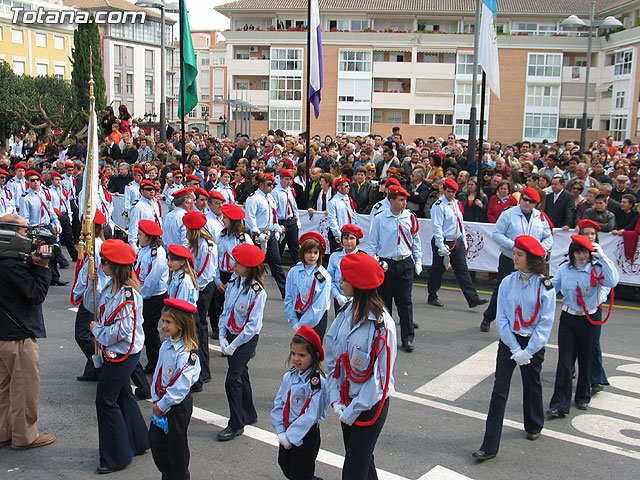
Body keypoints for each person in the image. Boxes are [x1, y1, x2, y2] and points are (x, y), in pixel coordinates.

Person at [473, 235, 556, 462]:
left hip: (532, 345)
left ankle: (534, 424)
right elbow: (502, 319)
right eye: (515, 253)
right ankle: (489, 445)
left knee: (532, 384)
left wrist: (528, 352)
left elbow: (544, 324)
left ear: (532, 259)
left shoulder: (545, 287)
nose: (515, 258)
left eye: (520, 255)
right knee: (499, 392)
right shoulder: (507, 282)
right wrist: (514, 348)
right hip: (510, 342)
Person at [325, 252, 397, 479]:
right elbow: (333, 355)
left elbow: (380, 379)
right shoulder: (347, 311)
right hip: (346, 400)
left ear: (357, 284)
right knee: (363, 460)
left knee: (354, 467)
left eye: (345, 279)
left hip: (369, 404)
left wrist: (353, 411)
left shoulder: (382, 326)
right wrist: (335, 398)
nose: (340, 282)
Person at [85, 239, 149, 474]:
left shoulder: (129, 297)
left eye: (105, 262)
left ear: (116, 267)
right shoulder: (108, 285)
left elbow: (122, 332)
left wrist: (96, 331)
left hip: (123, 353)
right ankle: (139, 441)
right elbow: (90, 305)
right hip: (116, 350)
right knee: (123, 396)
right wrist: (89, 284)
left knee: (105, 400)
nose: (101, 265)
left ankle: (116, 456)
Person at [0, 214, 55, 450]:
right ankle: (25, 435)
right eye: (24, 232)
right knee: (24, 388)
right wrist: (42, 267)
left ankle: (3, 431)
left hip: (4, 333)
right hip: (18, 335)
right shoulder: (12, 267)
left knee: (3, 388)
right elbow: (35, 295)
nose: (29, 238)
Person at [547, 235, 618, 419]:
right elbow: (553, 287)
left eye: (585, 252)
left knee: (586, 359)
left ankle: (582, 396)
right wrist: (541, 285)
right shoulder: (564, 268)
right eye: (578, 252)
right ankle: (559, 404)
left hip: (589, 318)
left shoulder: (597, 268)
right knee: (564, 362)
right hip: (569, 318)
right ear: (572, 253)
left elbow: (612, 282)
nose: (581, 256)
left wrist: (603, 257)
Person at [480, 187, 553, 332]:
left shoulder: (540, 217)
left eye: (531, 201)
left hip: (531, 261)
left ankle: (524, 320)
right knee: (503, 288)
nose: (526, 203)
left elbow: (548, 237)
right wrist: (516, 247)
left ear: (536, 204)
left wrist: (539, 250)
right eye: (524, 199)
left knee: (530, 291)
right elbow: (497, 234)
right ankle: (488, 317)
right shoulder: (508, 214)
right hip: (510, 258)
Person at [217, 244, 267, 441]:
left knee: (232, 379)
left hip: (245, 340)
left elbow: (251, 327)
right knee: (242, 374)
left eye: (238, 263)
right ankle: (249, 413)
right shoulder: (234, 282)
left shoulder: (257, 292)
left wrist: (233, 345)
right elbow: (226, 310)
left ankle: (236, 424)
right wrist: (222, 335)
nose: (234, 265)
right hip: (230, 334)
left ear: (249, 266)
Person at [149, 298, 201, 480]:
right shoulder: (166, 345)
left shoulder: (188, 353)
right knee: (156, 444)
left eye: (168, 322)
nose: (164, 326)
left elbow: (180, 387)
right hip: (162, 401)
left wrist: (162, 405)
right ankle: (168, 475)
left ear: (181, 324)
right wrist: (156, 397)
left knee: (177, 451)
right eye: (163, 321)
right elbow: (158, 373)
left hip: (177, 406)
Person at [366, 185, 421, 352]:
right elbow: (372, 243)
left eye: (405, 200)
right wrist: (371, 263)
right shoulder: (380, 218)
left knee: (405, 301)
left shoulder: (410, 218)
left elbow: (415, 241)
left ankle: (407, 337)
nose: (405, 203)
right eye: (401, 200)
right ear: (392, 201)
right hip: (386, 264)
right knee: (384, 302)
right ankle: (385, 335)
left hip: (404, 262)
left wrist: (418, 261)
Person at [271, 325, 329, 480]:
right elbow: (279, 404)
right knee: (285, 465)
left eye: (302, 355)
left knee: (301, 472)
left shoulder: (316, 382)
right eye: (293, 353)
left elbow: (311, 415)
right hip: (287, 429)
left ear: (314, 356)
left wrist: (289, 436)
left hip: (306, 434)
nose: (296, 358)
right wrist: (280, 430)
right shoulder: (289, 377)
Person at [428, 178, 487, 310]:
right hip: (444, 241)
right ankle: (432, 295)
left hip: (456, 241)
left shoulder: (456, 204)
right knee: (438, 270)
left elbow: (460, 224)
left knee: (463, 271)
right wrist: (440, 245)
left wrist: (464, 241)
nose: (451, 194)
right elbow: (437, 227)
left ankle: (473, 298)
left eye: (453, 192)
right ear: (443, 190)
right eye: (448, 191)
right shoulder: (439, 206)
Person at [182, 210, 217, 392]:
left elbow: (206, 272)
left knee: (199, 329)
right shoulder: (193, 243)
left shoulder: (207, 245)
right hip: (196, 287)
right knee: (196, 329)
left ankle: (202, 372)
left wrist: (194, 291)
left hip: (201, 289)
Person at [71, 210, 108, 382]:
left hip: (94, 296)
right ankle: (92, 369)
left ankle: (101, 366)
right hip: (88, 294)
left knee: (82, 334)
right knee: (91, 335)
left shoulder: (98, 247)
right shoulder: (90, 245)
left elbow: (103, 275)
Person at [135, 220, 169, 374]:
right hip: (144, 293)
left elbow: (151, 281)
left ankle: (155, 361)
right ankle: (154, 359)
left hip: (153, 297)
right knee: (147, 328)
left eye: (141, 235)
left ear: (149, 238)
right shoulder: (144, 249)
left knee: (149, 329)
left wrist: (141, 296)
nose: (138, 237)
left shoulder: (158, 255)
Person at [245, 174, 287, 298]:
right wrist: (257, 232)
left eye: (273, 184)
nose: (271, 187)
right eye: (269, 184)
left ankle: (285, 292)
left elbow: (273, 214)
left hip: (270, 234)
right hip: (259, 235)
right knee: (255, 265)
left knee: (276, 263)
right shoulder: (254, 198)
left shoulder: (270, 197)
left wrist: (276, 228)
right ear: (261, 185)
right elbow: (250, 217)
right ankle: (251, 289)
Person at [284, 232, 332, 340]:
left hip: (316, 319)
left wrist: (302, 325)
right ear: (302, 253)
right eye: (309, 252)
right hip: (298, 316)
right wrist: (294, 321)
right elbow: (289, 298)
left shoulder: (322, 276)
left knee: (313, 352)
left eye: (316, 252)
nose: (312, 256)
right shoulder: (294, 271)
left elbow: (319, 306)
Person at [327, 224, 363, 315]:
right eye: (346, 238)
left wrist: (355, 297)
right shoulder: (335, 256)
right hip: (340, 297)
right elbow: (329, 279)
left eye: (352, 238)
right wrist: (337, 295)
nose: (349, 241)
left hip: (358, 298)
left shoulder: (363, 257)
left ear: (357, 240)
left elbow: (364, 281)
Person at [273, 169, 301, 263]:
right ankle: (278, 268)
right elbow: (274, 210)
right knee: (280, 246)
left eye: (290, 180)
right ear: (281, 179)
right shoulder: (275, 192)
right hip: (281, 221)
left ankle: (297, 265)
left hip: (291, 220)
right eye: (286, 179)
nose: (288, 182)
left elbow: (294, 206)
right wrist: (276, 225)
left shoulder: (290, 190)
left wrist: (297, 219)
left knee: (294, 246)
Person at [128, 180, 162, 250]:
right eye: (148, 189)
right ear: (142, 191)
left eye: (153, 189)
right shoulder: (138, 206)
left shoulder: (155, 203)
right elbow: (133, 227)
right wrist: (134, 247)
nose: (152, 191)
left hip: (157, 238)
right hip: (145, 241)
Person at [327, 177, 358, 253]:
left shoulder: (349, 199)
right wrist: (339, 235)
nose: (349, 188)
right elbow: (332, 220)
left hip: (349, 232)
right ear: (339, 188)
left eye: (348, 186)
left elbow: (353, 215)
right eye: (346, 186)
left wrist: (353, 229)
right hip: (339, 233)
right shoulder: (333, 201)